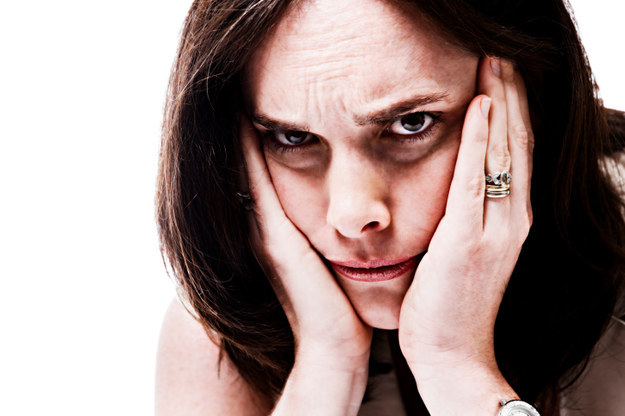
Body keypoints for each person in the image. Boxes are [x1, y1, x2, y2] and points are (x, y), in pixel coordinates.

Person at [154, 0, 625, 414]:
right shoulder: (217, 335)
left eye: (411, 123)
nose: (352, 215)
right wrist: (324, 372)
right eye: (292, 138)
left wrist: (456, 367)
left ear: (529, 98)